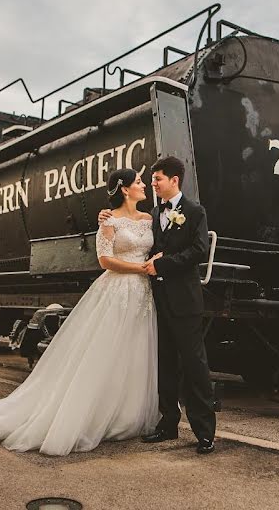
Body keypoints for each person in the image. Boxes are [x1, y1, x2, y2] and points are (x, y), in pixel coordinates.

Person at [0, 168, 159, 456]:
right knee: (104, 353)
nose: (143, 185)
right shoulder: (108, 221)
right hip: (118, 292)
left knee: (134, 352)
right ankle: (91, 414)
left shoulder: (149, 219)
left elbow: (156, 248)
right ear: (125, 189)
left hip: (143, 294)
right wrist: (141, 268)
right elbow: (105, 260)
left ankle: (125, 417)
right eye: (138, 182)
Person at [99, 155, 216, 454]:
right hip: (155, 300)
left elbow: (198, 251)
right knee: (164, 364)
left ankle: (205, 432)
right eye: (149, 180)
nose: (152, 184)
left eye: (157, 179)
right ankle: (167, 425)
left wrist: (163, 265)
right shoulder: (151, 214)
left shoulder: (195, 211)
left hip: (185, 301)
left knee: (194, 365)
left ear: (174, 180)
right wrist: (105, 217)